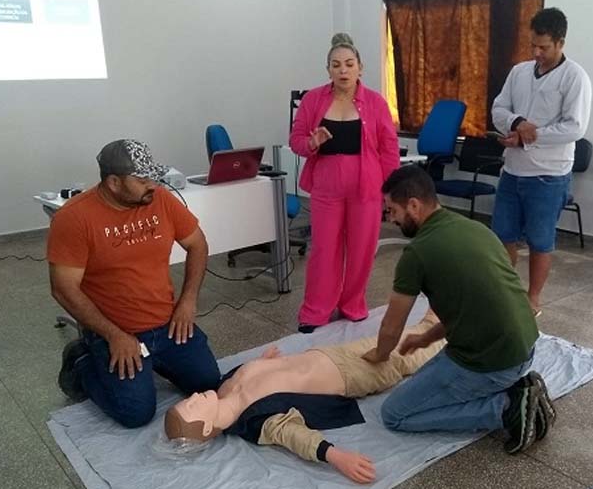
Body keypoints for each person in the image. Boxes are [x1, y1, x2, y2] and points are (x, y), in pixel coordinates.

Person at [361, 165, 555, 454]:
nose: (391, 220)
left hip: (493, 363)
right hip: (525, 348)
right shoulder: (475, 228)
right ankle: (517, 387)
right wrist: (426, 339)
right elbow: (475, 305)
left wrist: (380, 354)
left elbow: (391, 326)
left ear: (413, 205)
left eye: (392, 211)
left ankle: (506, 409)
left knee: (395, 414)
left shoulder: (417, 252)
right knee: (427, 382)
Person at [48, 139, 221, 428]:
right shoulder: (74, 218)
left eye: (153, 177)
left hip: (167, 324)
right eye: (142, 180)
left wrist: (188, 301)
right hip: (115, 329)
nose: (152, 185)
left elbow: (198, 245)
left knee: (208, 385)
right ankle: (82, 362)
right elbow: (63, 288)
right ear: (113, 182)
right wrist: (114, 336)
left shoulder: (161, 199)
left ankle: (154, 360)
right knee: (135, 414)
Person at [164, 312, 446, 484]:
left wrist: (263, 362)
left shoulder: (223, 388)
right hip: (350, 375)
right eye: (192, 406)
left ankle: (432, 322)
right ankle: (452, 334)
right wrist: (337, 457)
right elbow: (296, 437)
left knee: (389, 341)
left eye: (187, 400)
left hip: (329, 355)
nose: (194, 397)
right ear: (205, 428)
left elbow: (259, 377)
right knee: (409, 355)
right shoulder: (256, 422)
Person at [289, 32, 400, 333]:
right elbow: (296, 140)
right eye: (336, 65)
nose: (343, 70)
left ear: (360, 68)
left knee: (362, 249)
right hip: (326, 188)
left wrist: (391, 191)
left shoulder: (376, 103)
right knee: (324, 250)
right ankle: (315, 311)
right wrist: (311, 142)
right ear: (328, 70)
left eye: (349, 64)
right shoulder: (313, 100)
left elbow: (389, 149)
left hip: (367, 189)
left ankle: (352, 304)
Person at [490, 7, 592, 316]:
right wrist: (517, 122)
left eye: (543, 47)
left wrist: (526, 136)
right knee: (502, 235)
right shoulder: (519, 72)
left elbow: (575, 128)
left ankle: (533, 298)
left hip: (549, 174)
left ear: (560, 42)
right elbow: (499, 108)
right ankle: (504, 292)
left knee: (539, 240)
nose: (536, 52)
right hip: (512, 170)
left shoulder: (575, 77)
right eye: (532, 45)